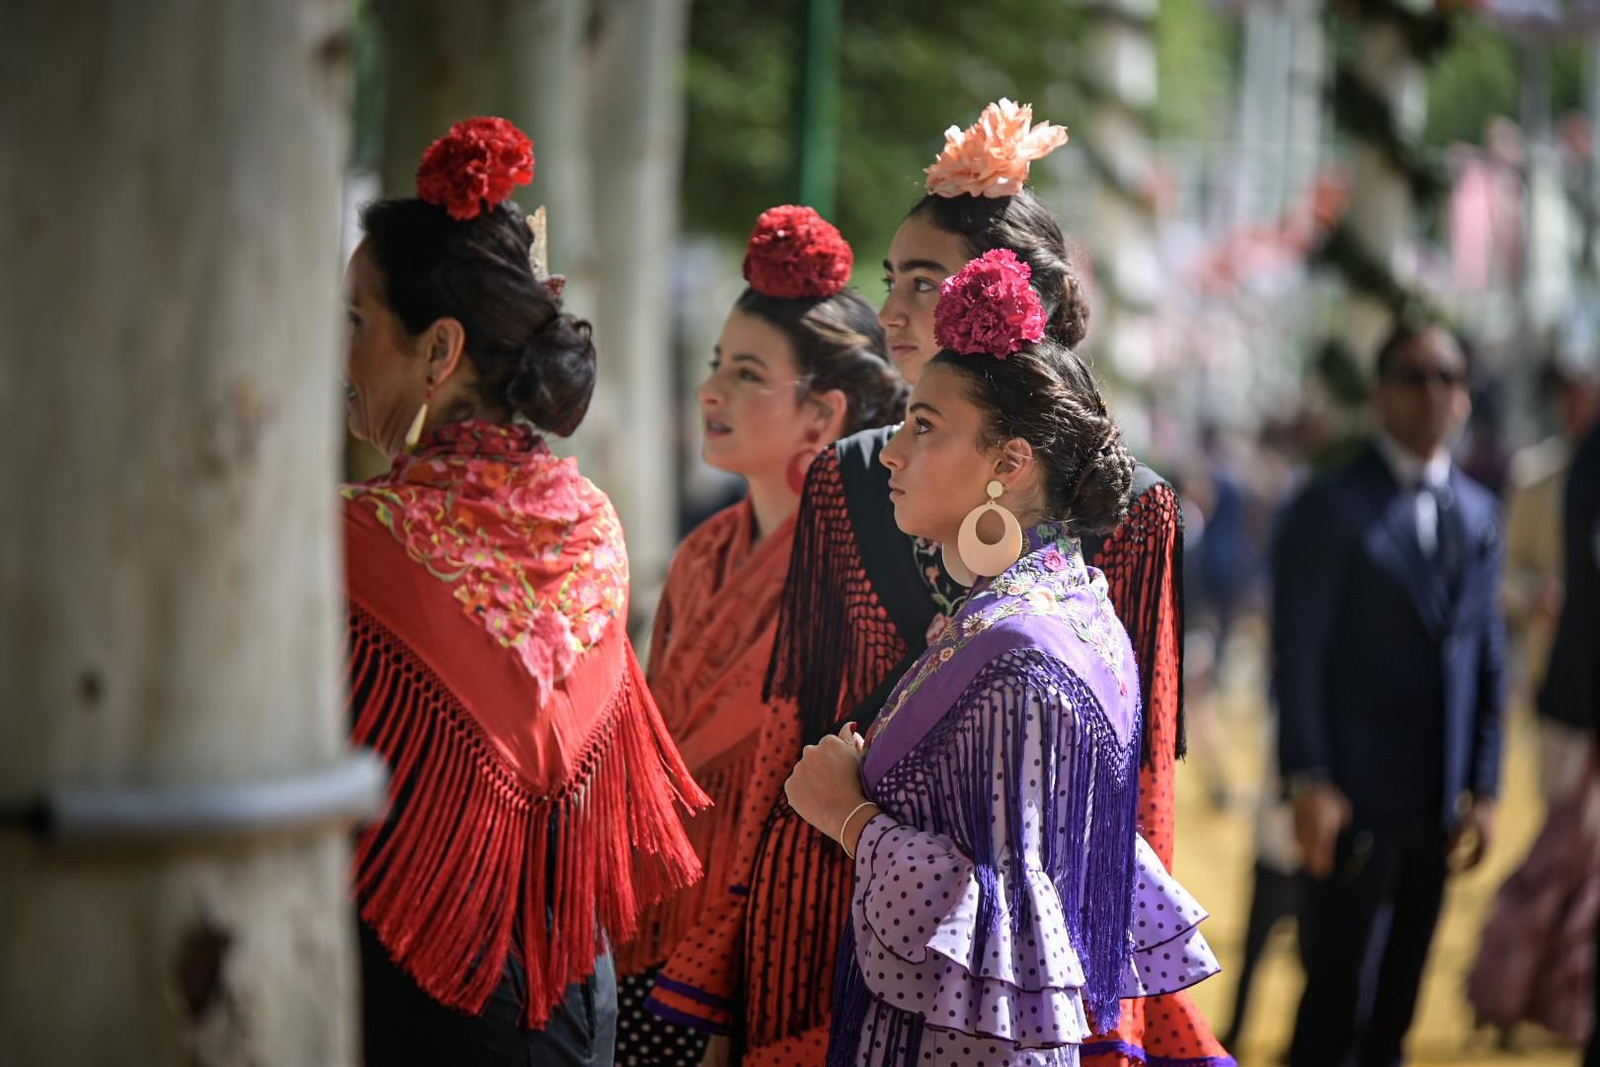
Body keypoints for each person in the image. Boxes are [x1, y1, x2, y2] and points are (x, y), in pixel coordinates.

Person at [652, 98, 1227, 1067]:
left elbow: (1135, 777)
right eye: (892, 280)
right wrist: (727, 952)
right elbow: (792, 717)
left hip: (1013, 951)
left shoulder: (1130, 506)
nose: (893, 312)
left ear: (1007, 298)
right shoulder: (849, 473)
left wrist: (1107, 998)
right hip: (820, 903)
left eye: (925, 281)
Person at [784, 248, 1221, 1065]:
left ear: (1009, 463)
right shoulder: (1071, 605)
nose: (890, 453)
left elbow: (1005, 914)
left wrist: (848, 813)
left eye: (925, 427)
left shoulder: (1020, 645)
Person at [340, 116, 707, 1066]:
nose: (340, 357)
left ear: (438, 350)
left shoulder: (355, 541)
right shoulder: (596, 525)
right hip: (574, 987)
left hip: (421, 975)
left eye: (356, 323)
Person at [614, 206, 906, 1065]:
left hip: (777, 946)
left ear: (823, 416)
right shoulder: (703, 551)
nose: (711, 391)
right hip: (648, 918)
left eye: (745, 374)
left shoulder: (857, 577)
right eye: (716, 366)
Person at [1273, 321, 1507, 1067]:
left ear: (1465, 396)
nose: (1431, 392)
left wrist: (1487, 783)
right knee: (1336, 1001)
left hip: (1437, 807)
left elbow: (1487, 657)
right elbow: (1297, 653)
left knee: (1399, 1007)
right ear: (1378, 393)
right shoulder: (1329, 505)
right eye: (1412, 375)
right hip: (1351, 803)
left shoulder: (1477, 514)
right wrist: (1309, 777)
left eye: (1447, 376)